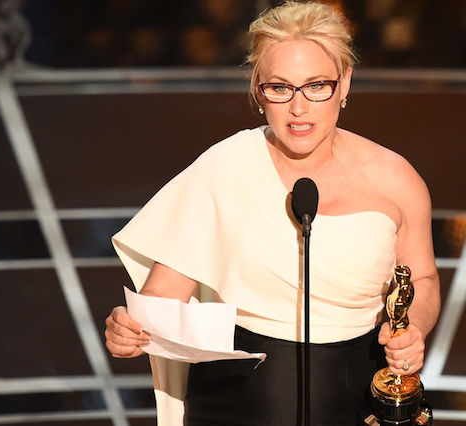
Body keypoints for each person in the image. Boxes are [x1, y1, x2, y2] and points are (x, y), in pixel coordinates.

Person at [104, 1, 441, 425]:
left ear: (345, 84)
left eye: (317, 85)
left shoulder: (397, 179)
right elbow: (161, 296)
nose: (298, 107)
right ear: (257, 91)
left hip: (358, 400)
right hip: (231, 403)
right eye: (280, 87)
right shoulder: (224, 168)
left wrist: (415, 330)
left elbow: (422, 278)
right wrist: (128, 326)